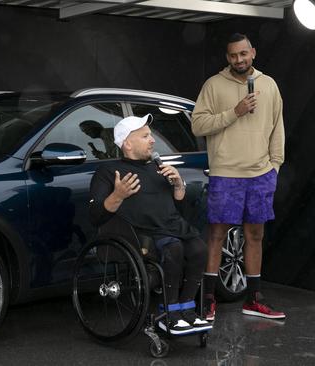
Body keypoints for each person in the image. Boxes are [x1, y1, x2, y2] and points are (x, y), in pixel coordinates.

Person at [89, 114, 211, 335]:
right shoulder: (108, 172)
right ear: (127, 143)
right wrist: (117, 195)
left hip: (171, 228)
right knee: (174, 248)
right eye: (145, 136)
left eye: (150, 135)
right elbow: (95, 216)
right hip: (139, 234)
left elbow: (180, 213)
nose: (153, 140)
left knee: (200, 249)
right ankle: (170, 313)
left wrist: (178, 187)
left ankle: (187, 309)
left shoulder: (159, 169)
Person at [192, 33, 286, 321]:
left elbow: (276, 127)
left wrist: (275, 166)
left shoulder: (269, 85)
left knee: (255, 235)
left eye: (243, 54)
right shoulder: (214, 85)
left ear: (253, 52)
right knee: (217, 235)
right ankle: (208, 300)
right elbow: (198, 125)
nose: (239, 60)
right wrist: (235, 112)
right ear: (227, 57)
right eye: (233, 55)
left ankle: (253, 299)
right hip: (226, 174)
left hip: (260, 175)